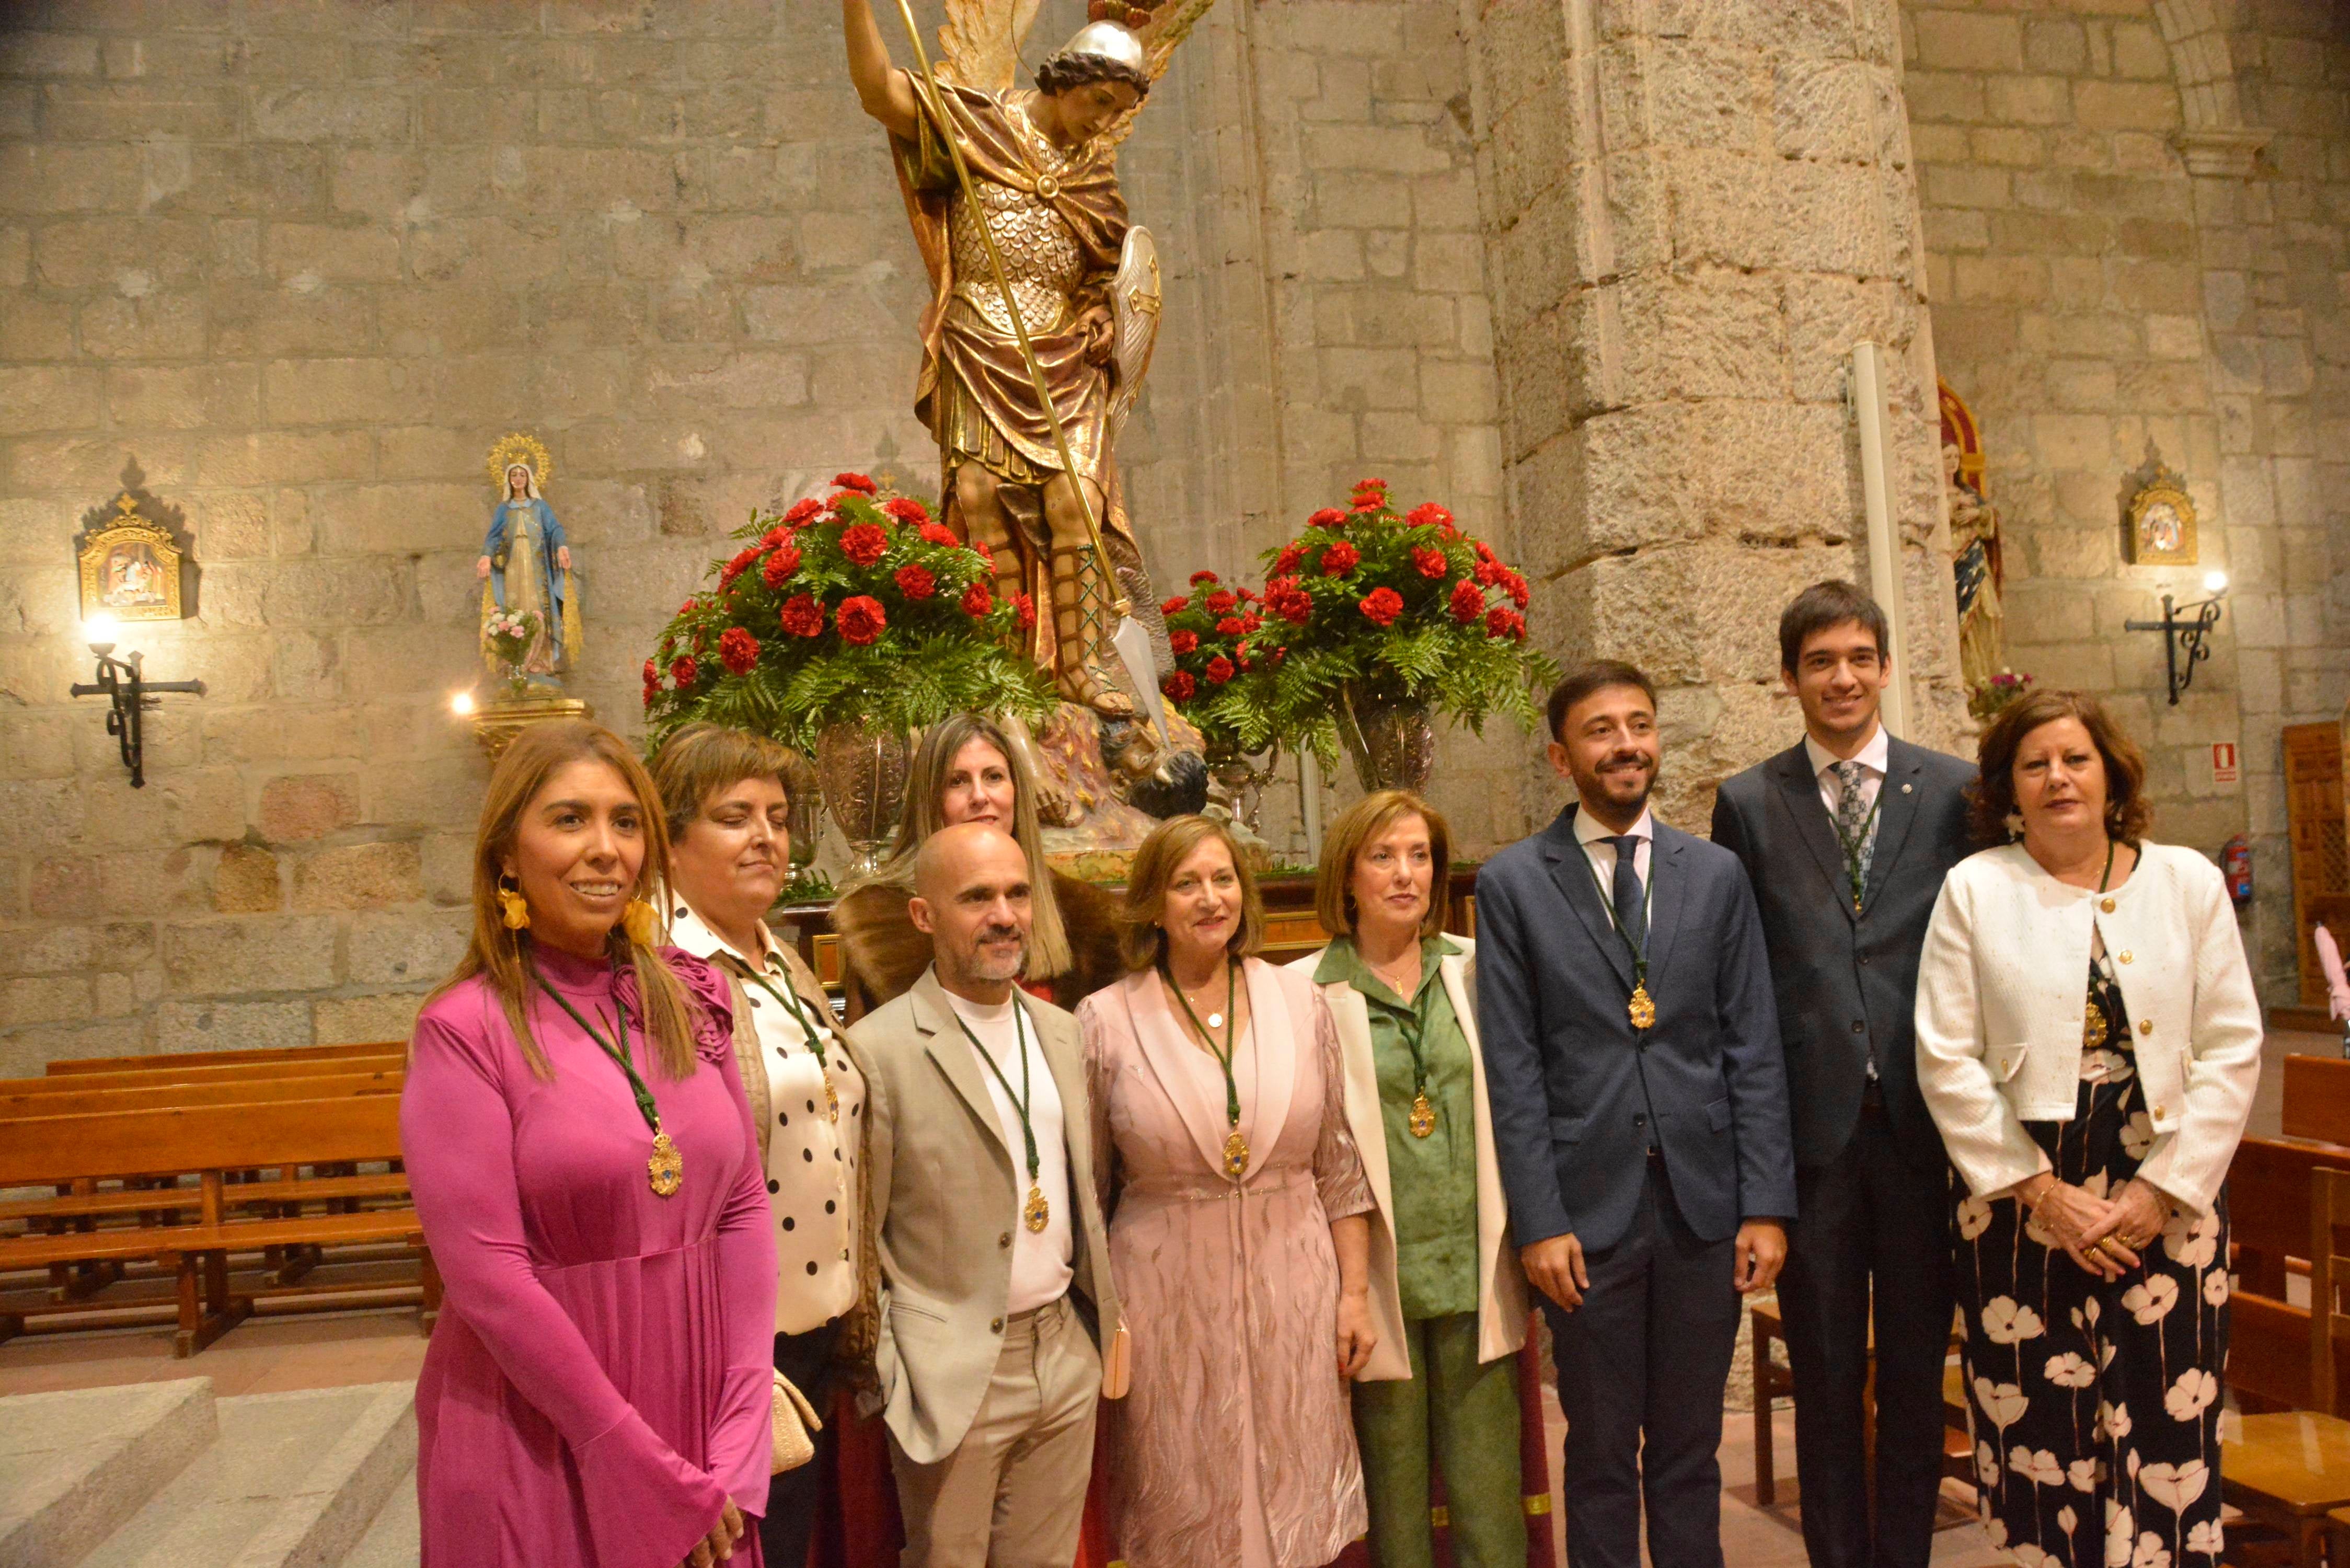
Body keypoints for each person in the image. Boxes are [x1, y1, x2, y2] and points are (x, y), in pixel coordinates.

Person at [400, 720, 776, 1568]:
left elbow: (745, 1206)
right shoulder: (464, 1030)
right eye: (570, 820)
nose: (606, 849)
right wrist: (622, 1447)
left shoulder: (689, 996)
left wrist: (743, 1421)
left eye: (626, 822)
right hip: (545, 1422)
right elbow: (487, 1276)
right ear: (506, 856)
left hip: (697, 1405)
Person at [1915, 690, 2262, 1568]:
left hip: (2169, 1199)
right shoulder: (1976, 888)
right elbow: (1945, 1055)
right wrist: (2037, 1191)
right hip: (2021, 1203)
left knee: (2165, 1426)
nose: (2056, 778)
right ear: (2007, 789)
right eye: (2034, 765)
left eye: (2075, 759)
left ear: (2111, 774)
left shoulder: (2185, 881)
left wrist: (2161, 1189)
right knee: (2040, 1426)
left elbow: (2230, 1046)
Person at [1477, 661, 1796, 1568]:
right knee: (1604, 1452)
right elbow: (1515, 1065)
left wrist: (1764, 1203)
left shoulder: (1716, 874)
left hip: (1702, 1206)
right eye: (1601, 730)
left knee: (1690, 1453)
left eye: (1639, 725)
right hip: (1587, 1215)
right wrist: (1539, 1221)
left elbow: (1753, 1046)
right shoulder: (1513, 885)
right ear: (1559, 756)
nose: (1626, 745)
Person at [1708, 581, 1976, 1568]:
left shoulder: (1951, 790)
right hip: (1813, 1144)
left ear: (1886, 667)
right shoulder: (1747, 801)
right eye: (1820, 661)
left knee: (1913, 1373)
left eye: (1860, 657)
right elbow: (1742, 980)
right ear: (1789, 678)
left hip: (1923, 1133)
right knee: (1825, 1380)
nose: (1843, 678)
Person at [1077, 814, 1379, 1568]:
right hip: (1165, 1297)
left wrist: (1353, 1296)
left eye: (1223, 879)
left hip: (1295, 1285)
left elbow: (1339, 1166)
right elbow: (1088, 1185)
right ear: (1153, 903)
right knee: (1182, 1498)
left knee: (1295, 1493)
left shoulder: (1300, 1002)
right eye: (1187, 883)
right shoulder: (1105, 1021)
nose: (1211, 898)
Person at [850, 822, 1120, 1568]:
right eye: (976, 898)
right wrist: (893, 1380)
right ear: (923, 916)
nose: (1003, 915)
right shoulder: (879, 1051)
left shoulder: (1064, 1033)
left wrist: (1093, 1342)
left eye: (1015, 893)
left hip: (1064, 1352)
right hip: (953, 1372)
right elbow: (862, 1241)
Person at [649, 722, 873, 1568]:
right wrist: (720, 1350)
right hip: (733, 1347)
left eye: (777, 816)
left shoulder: (779, 957)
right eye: (734, 816)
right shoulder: (662, 973)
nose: (766, 837)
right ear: (670, 842)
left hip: (812, 1329)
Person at [1292, 790, 1529, 1568]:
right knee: (1392, 1491)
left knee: (1489, 1488)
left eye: (1420, 856)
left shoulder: (1476, 969)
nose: (1406, 874)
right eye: (1383, 856)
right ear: (1347, 876)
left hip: (1474, 1258)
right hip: (1374, 1274)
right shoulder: (1304, 993)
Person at [833, 712, 1122, 1012]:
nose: (980, 796)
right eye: (957, 782)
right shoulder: (880, 925)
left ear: (1016, 791)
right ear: (930, 801)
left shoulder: (1088, 923)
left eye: (994, 777)